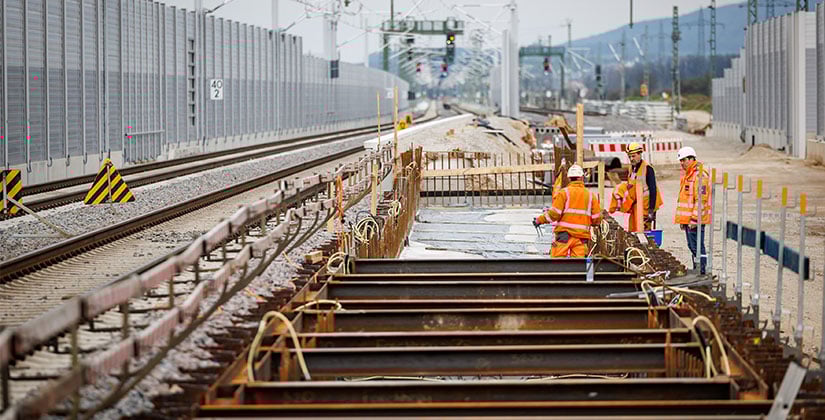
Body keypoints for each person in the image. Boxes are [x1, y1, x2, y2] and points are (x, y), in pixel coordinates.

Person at [534, 165, 602, 257]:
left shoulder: (564, 193)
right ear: (582, 177)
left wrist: (539, 220)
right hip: (581, 237)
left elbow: (554, 214)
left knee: (557, 263)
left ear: (569, 178)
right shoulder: (590, 195)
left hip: (564, 235)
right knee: (578, 264)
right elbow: (597, 218)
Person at [675, 146, 711, 274]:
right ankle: (697, 269)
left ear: (691, 159)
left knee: (697, 247)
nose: (682, 163)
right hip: (689, 220)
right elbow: (684, 199)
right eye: (680, 161)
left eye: (683, 160)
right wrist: (683, 220)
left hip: (695, 220)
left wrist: (695, 219)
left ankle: (702, 271)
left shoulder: (700, 175)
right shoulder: (688, 174)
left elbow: (701, 200)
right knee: (692, 246)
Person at [624, 142, 663, 232]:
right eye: (629, 156)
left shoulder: (647, 168)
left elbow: (653, 190)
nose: (631, 159)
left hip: (645, 208)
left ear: (639, 154)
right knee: (633, 231)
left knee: (644, 232)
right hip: (635, 207)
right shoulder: (631, 168)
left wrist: (651, 211)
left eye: (633, 156)